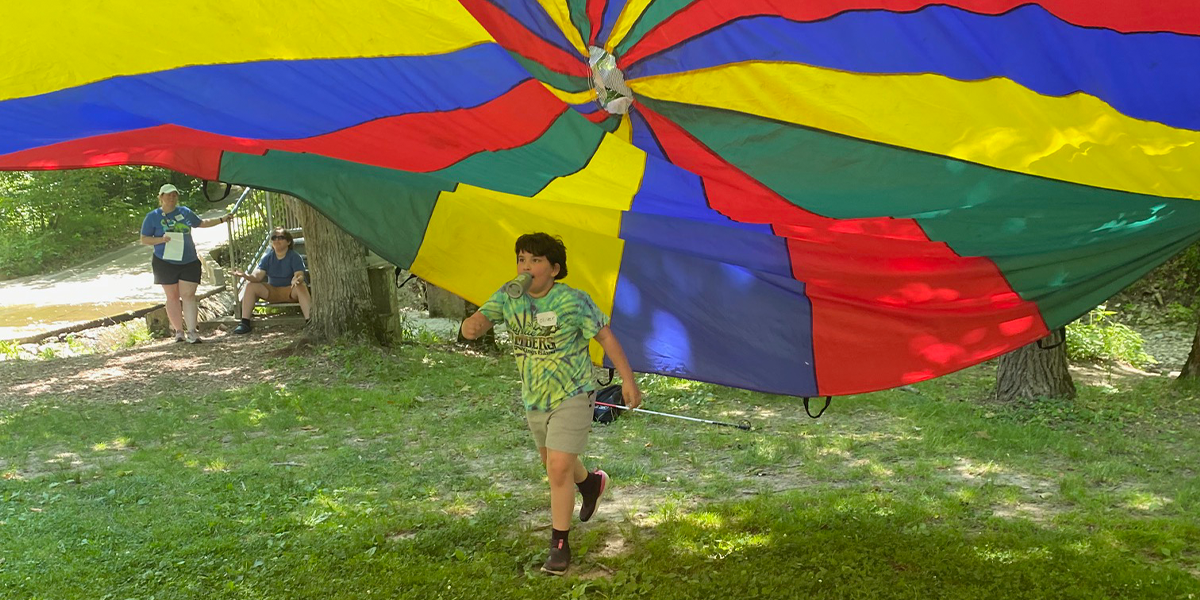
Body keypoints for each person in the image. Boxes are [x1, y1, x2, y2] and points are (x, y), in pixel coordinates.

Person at [460, 232, 642, 576]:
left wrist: (628, 381)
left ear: (555, 269)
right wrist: (472, 326)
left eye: (535, 261)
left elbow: (605, 336)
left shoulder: (573, 301)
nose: (526, 267)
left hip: (574, 392)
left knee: (557, 467)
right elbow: (476, 326)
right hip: (535, 397)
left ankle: (560, 544)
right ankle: (590, 483)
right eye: (521, 260)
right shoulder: (508, 296)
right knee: (554, 462)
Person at [139, 183, 230, 344]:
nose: (171, 198)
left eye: (174, 195)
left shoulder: (185, 212)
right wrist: (161, 240)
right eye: (168, 195)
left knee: (188, 295)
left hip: (189, 260)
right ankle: (178, 331)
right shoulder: (152, 216)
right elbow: (144, 239)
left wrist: (222, 219)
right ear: (161, 197)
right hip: (164, 261)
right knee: (172, 296)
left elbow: (201, 223)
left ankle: (192, 331)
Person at [230, 227, 310, 334]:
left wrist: (297, 280)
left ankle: (310, 321)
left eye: (281, 237)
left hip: (290, 291)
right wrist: (245, 275)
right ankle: (244, 323)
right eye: (274, 237)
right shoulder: (267, 258)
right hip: (272, 291)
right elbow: (257, 276)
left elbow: (299, 275)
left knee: (301, 286)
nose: (277, 240)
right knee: (250, 285)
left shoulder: (295, 257)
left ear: (288, 241)